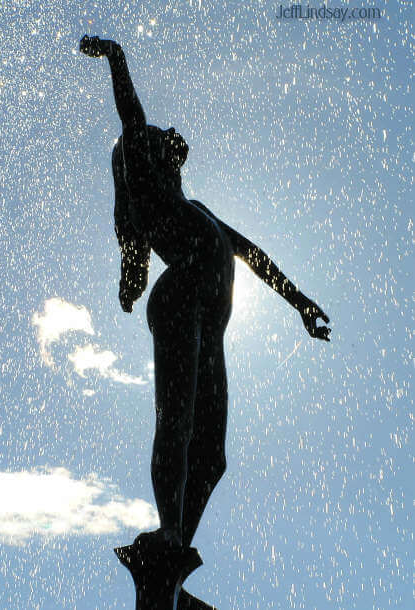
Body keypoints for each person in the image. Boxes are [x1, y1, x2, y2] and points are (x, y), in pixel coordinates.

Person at [80, 33, 330, 556]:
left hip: (208, 323)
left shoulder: (201, 211)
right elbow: (130, 117)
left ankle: (177, 550)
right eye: (160, 135)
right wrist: (116, 57)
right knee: (176, 420)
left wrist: (300, 302)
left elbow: (254, 256)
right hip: (179, 301)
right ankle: (168, 532)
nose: (171, 133)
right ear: (147, 156)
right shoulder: (145, 184)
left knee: (212, 455)